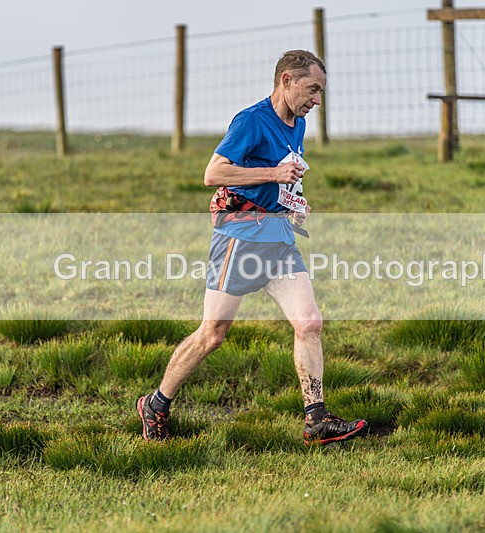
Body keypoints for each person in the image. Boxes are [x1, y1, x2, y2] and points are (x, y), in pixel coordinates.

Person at [137, 50, 367, 446]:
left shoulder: (297, 124)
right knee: (213, 334)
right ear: (286, 81)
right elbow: (214, 173)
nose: (317, 99)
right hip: (240, 238)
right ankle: (155, 404)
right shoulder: (250, 121)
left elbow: (284, 178)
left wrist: (294, 203)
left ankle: (316, 419)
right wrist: (274, 173)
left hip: (278, 237)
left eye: (321, 92)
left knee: (309, 323)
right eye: (312, 89)